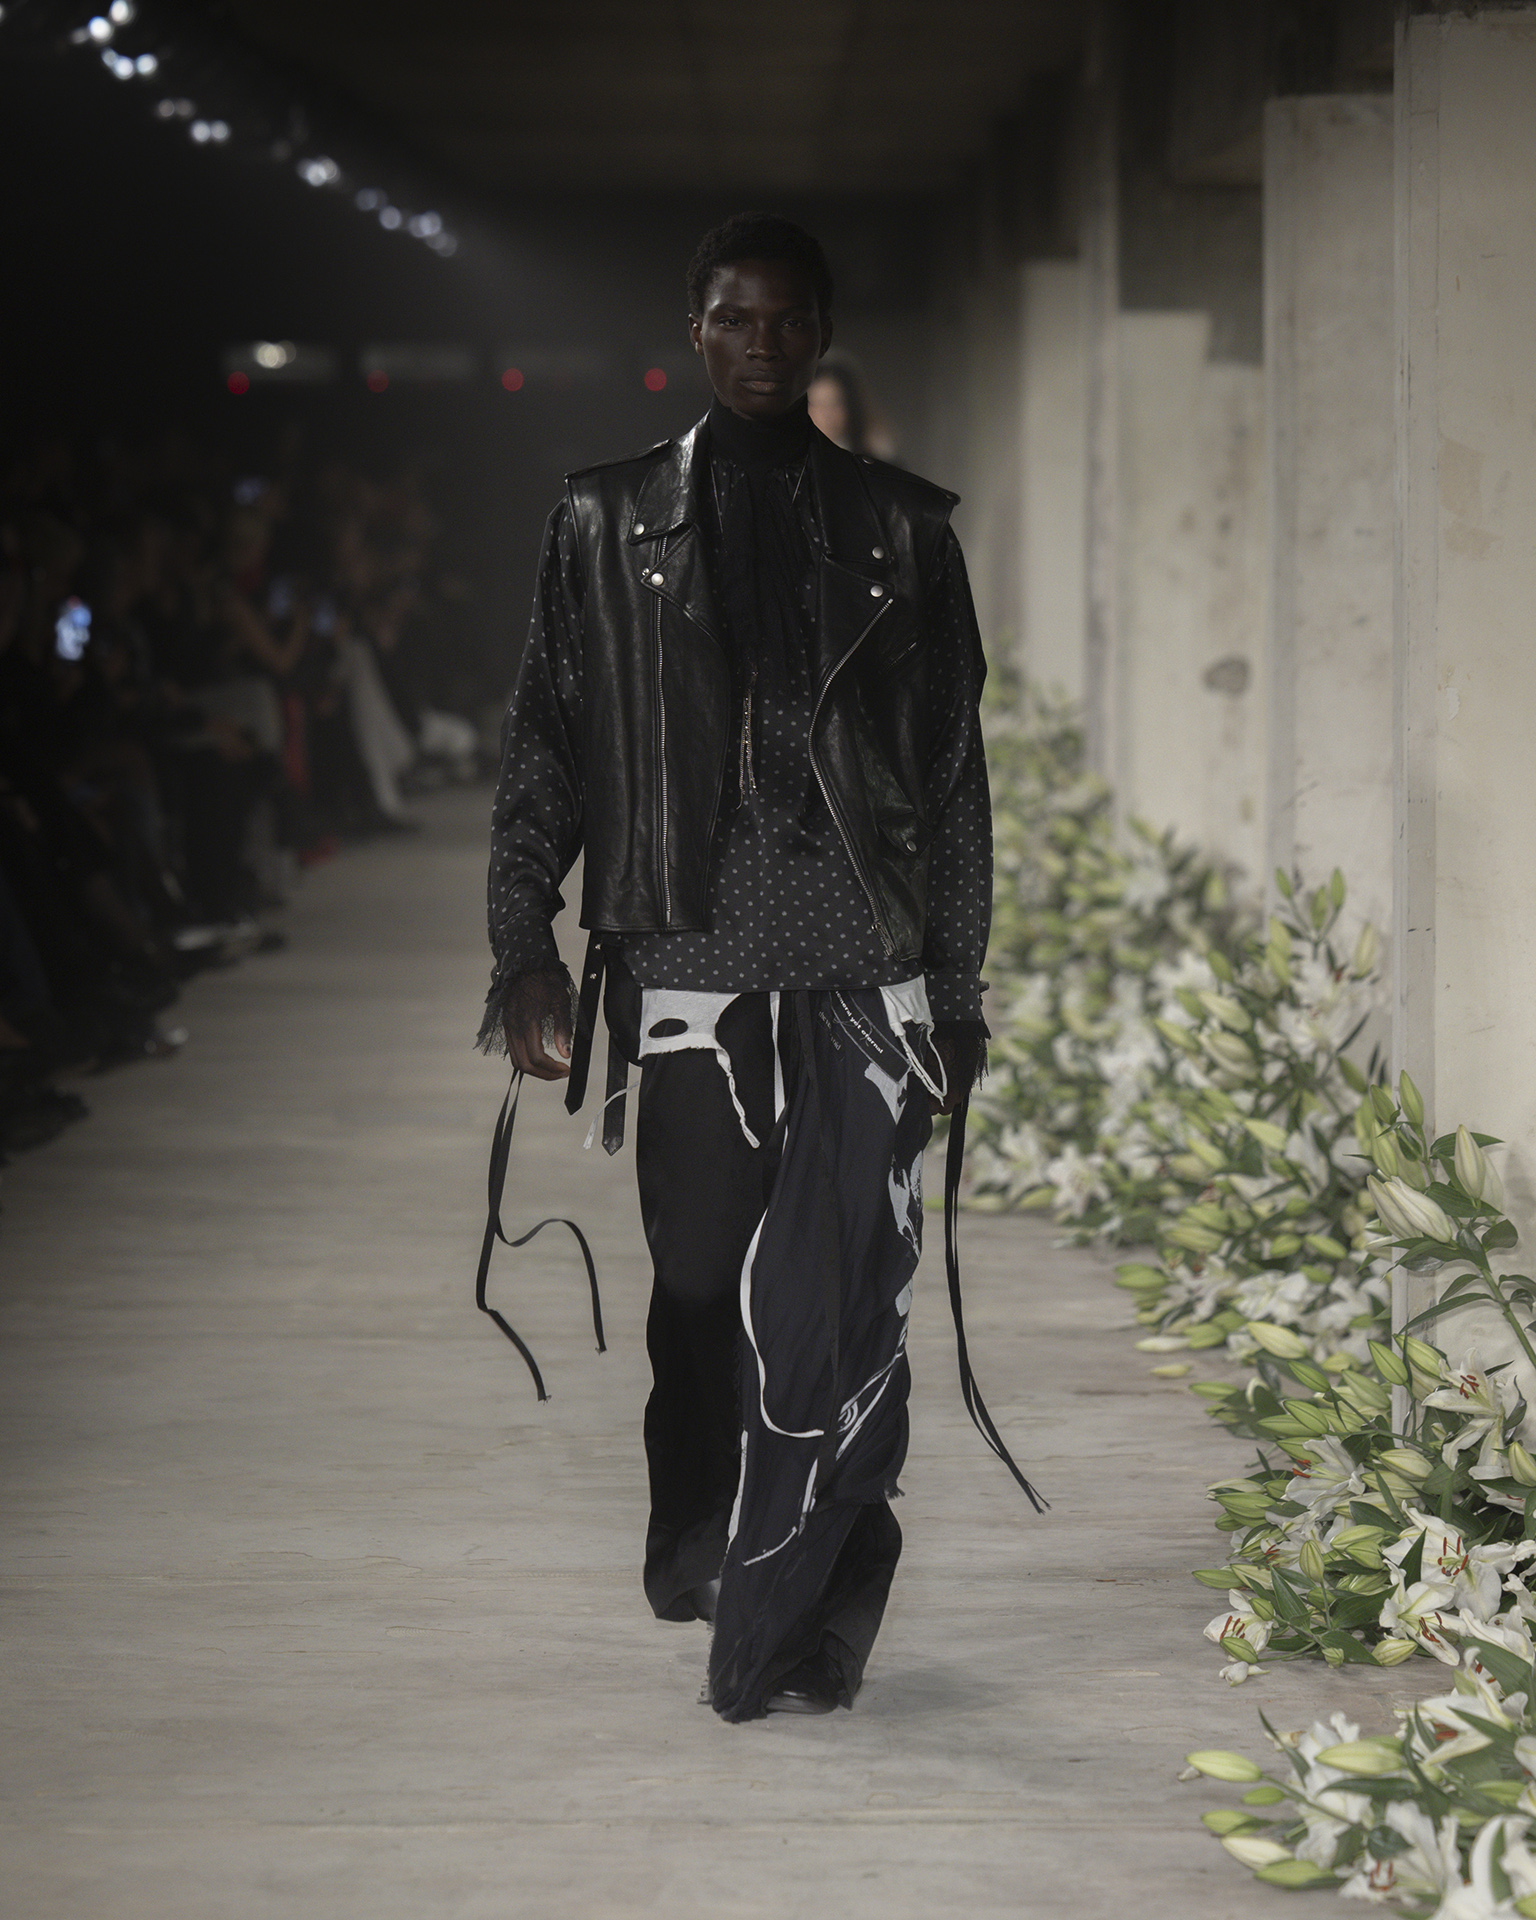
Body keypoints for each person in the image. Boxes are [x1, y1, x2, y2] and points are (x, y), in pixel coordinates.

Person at [480, 212, 1037, 1724]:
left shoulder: (905, 530)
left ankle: (814, 1600)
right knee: (700, 1285)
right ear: (696, 328)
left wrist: (959, 993)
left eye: (789, 320)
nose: (763, 344)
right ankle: (703, 1541)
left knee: (848, 1305)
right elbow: (546, 746)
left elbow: (954, 780)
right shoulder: (604, 523)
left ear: (824, 332)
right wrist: (523, 945)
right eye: (735, 317)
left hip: (864, 967)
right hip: (687, 968)